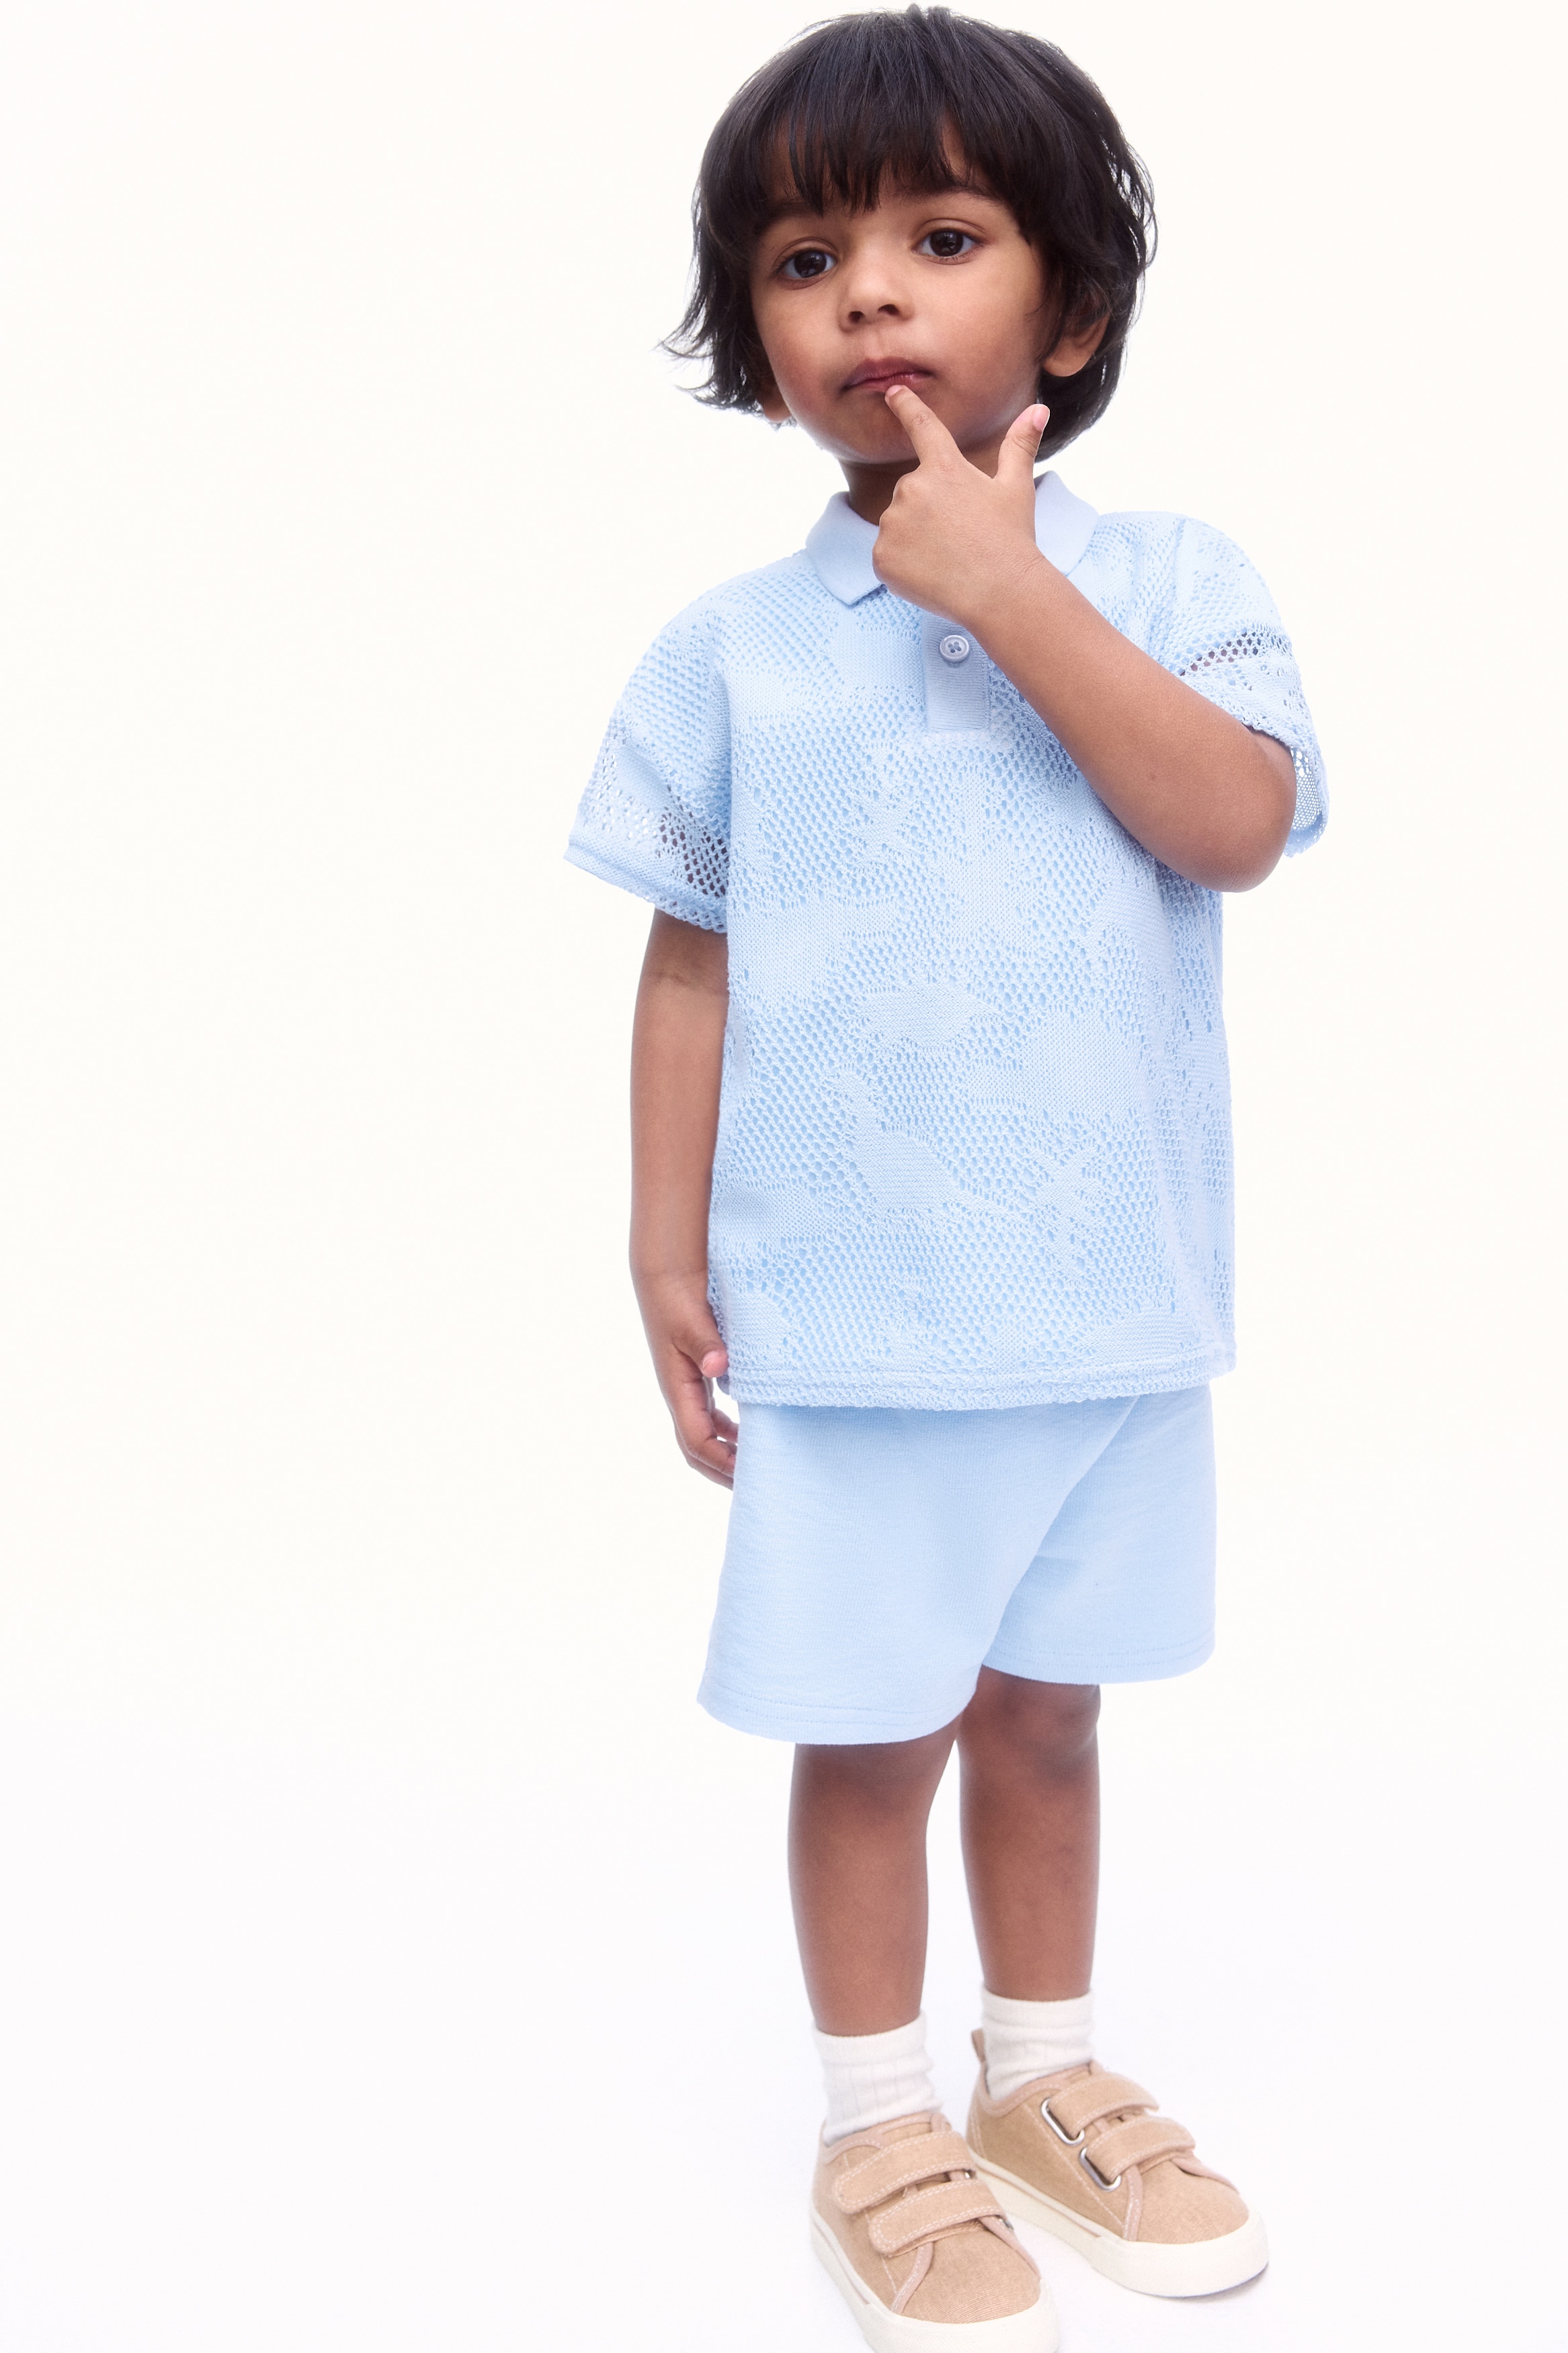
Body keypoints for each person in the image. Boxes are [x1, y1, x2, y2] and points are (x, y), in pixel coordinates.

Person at [565, 10, 1325, 2345]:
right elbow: (694, 962)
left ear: (1069, 312)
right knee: (873, 1728)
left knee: (1054, 1712)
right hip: (857, 1314)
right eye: (808, 257)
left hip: (1109, 1304)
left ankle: (1043, 2073)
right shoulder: (734, 655)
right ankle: (879, 2115)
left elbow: (1234, 819)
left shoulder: (1171, 576)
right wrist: (664, 1242)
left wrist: (1007, 588)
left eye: (944, 235)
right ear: (759, 331)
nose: (871, 290)